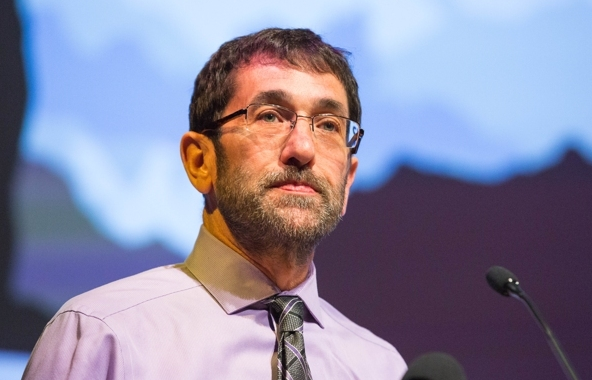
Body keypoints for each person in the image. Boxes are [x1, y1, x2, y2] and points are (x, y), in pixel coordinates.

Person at [23, 28, 407, 379]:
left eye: (328, 125)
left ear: (346, 183)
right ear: (200, 161)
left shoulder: (380, 367)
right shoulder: (103, 336)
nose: (302, 149)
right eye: (271, 116)